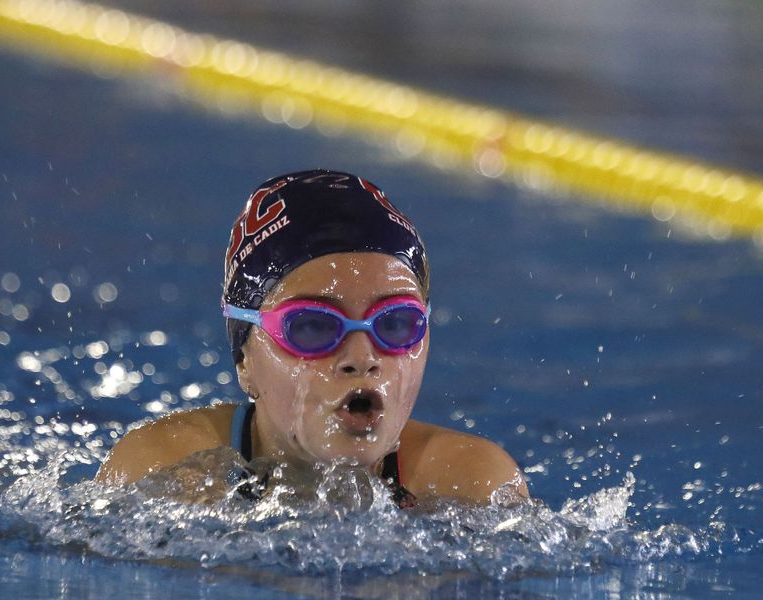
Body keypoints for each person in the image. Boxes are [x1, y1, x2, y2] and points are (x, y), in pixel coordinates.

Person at [97, 170, 526, 506]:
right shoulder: (162, 473)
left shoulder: (472, 485)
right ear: (244, 360)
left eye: (394, 323)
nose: (362, 358)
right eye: (313, 326)